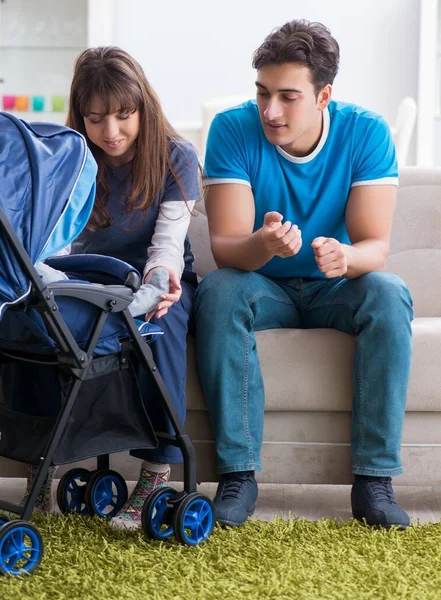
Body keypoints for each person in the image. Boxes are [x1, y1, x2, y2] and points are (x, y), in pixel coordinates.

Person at [194, 20, 414, 529]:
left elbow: (374, 248)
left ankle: (375, 482)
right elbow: (227, 249)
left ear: (323, 95)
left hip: (337, 287)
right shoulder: (231, 129)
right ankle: (238, 474)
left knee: (388, 291)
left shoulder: (366, 132)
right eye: (263, 93)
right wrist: (263, 244)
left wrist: (345, 257)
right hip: (262, 285)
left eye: (288, 97)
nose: (270, 111)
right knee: (219, 290)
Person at [24, 46, 201, 528]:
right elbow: (55, 241)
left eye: (124, 116)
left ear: (143, 107)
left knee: (158, 331)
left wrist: (158, 284)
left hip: (158, 277)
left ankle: (155, 472)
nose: (112, 132)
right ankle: (42, 464)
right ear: (81, 116)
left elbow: (167, 244)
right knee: (42, 331)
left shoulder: (176, 157)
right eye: (97, 119)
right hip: (88, 274)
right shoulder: (68, 158)